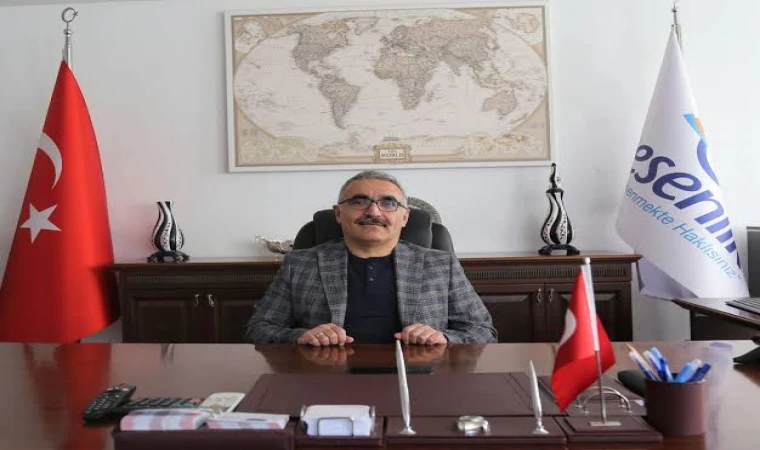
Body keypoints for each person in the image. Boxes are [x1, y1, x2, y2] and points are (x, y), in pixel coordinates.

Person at [244, 170, 496, 346]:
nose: (373, 211)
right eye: (359, 201)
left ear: (405, 217)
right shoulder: (300, 264)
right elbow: (259, 329)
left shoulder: (441, 265)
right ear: (338, 214)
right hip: (326, 378)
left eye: (389, 203)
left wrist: (444, 338)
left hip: (417, 378)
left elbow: (483, 331)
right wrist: (300, 336)